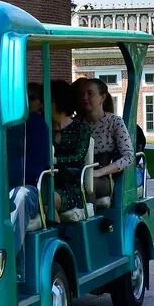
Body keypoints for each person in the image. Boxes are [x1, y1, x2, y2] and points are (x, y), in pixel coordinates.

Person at [77, 78, 134, 199]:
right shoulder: (78, 123)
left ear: (102, 97)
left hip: (105, 177)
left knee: (89, 183)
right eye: (82, 94)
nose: (85, 97)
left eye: (90, 93)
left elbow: (128, 156)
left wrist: (98, 172)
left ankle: (89, 215)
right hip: (80, 173)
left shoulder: (114, 122)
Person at [49, 79, 93, 220]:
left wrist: (55, 160)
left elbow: (78, 156)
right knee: (42, 200)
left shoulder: (81, 129)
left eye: (47, 100)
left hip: (71, 187)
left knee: (48, 200)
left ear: (57, 102)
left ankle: (58, 237)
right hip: (47, 182)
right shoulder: (45, 130)